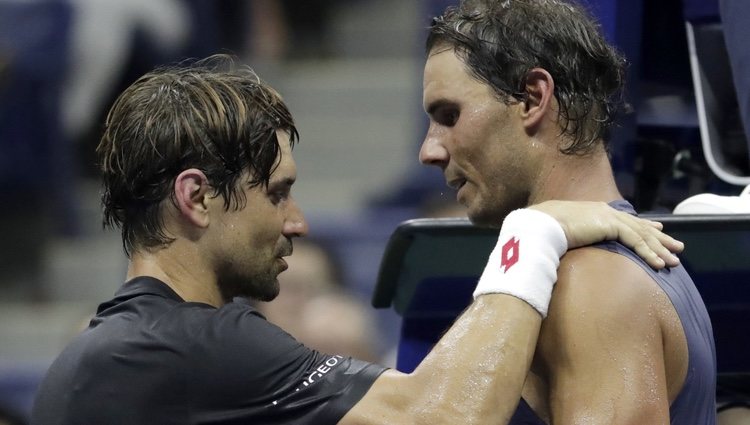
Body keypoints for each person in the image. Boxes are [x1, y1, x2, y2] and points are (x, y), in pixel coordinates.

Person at [31, 54, 683, 425]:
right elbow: (440, 418)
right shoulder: (192, 345)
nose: (298, 221)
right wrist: (534, 234)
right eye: (277, 191)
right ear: (196, 197)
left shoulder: (90, 363)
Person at [419, 0, 717, 423]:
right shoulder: (600, 273)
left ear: (532, 97)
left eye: (450, 115)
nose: (429, 151)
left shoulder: (592, 285)